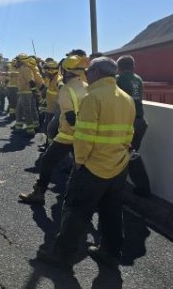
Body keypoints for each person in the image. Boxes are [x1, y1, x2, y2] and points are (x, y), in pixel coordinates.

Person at [37, 56, 136, 271]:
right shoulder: (126, 98)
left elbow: (84, 136)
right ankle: (110, 253)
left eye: (89, 70)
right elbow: (129, 133)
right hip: (118, 165)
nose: (86, 74)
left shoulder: (93, 98)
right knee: (111, 212)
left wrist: (79, 162)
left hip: (93, 166)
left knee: (75, 210)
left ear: (97, 73)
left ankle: (63, 256)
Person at [19, 55, 88, 204]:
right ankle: (80, 199)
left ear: (65, 70)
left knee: (47, 161)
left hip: (68, 135)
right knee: (82, 168)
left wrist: (77, 132)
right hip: (85, 136)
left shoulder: (66, 89)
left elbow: (70, 116)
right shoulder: (87, 86)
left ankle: (39, 193)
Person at [117, 55, 151, 196]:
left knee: (126, 156)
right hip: (140, 121)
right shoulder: (138, 79)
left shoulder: (118, 80)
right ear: (133, 66)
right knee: (131, 155)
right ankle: (142, 188)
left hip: (127, 123)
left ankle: (140, 189)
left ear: (119, 67)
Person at [12, 54, 38, 136]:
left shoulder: (25, 69)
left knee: (27, 111)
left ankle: (30, 130)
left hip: (26, 93)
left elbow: (31, 82)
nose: (16, 62)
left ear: (22, 61)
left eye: (18, 60)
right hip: (22, 92)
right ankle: (19, 127)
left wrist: (34, 92)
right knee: (19, 110)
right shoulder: (21, 69)